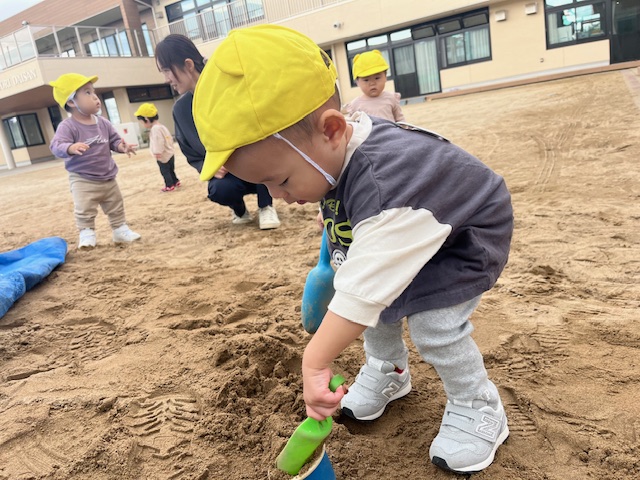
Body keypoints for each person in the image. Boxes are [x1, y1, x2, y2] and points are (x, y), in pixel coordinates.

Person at [192, 25, 514, 475]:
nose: (278, 196)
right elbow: (353, 230)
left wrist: (315, 361)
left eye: (280, 181)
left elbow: (363, 289)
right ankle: (389, 370)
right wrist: (335, 233)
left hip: (460, 236)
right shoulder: (330, 153)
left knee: (433, 325)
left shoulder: (386, 184)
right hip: (402, 228)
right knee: (377, 305)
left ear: (332, 130)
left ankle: (478, 403)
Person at [154, 34, 281, 230]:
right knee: (219, 190)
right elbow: (190, 150)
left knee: (262, 157)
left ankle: (266, 206)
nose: (166, 79)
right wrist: (210, 165)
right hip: (228, 177)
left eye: (166, 70)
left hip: (256, 166)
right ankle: (239, 210)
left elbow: (261, 130)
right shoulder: (181, 109)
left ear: (188, 64)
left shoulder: (230, 89)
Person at [49, 73, 141, 249]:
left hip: (108, 176)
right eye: (87, 93)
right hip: (82, 178)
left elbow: (114, 141)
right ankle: (86, 232)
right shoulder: (68, 126)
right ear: (71, 102)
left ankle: (120, 229)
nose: (95, 97)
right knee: (84, 208)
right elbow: (56, 145)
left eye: (94, 92)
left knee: (115, 204)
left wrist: (122, 147)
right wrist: (70, 147)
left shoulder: (103, 123)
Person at [343, 49, 405, 122]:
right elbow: (351, 124)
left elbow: (400, 120)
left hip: (390, 129)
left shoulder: (391, 98)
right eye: (366, 80)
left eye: (377, 78)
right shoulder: (355, 105)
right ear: (357, 82)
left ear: (385, 77)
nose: (372, 83)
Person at [134, 102, 180, 192]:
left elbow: (159, 141)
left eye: (142, 122)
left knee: (165, 171)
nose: (143, 124)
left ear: (146, 119)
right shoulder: (162, 126)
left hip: (162, 155)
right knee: (171, 169)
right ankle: (175, 181)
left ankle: (169, 185)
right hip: (170, 153)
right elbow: (169, 138)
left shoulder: (155, 129)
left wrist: (157, 152)